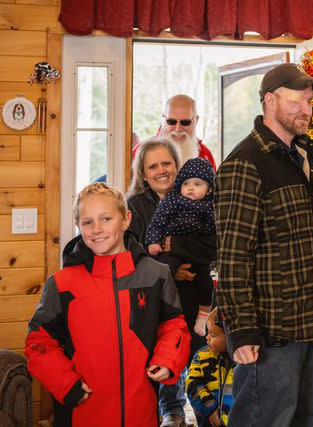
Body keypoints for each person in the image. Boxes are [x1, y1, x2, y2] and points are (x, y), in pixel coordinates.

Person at [214, 62, 313, 427]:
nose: (306, 111)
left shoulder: (298, 157)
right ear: (270, 100)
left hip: (307, 328)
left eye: (310, 102)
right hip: (268, 336)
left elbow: (304, 246)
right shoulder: (244, 164)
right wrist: (243, 330)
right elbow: (233, 259)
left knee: (304, 421)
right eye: (297, 101)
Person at [25, 182, 190, 426]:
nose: (96, 229)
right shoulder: (61, 283)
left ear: (126, 220)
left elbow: (174, 325)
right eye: (87, 222)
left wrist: (167, 359)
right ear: (78, 226)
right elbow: (39, 343)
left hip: (141, 413)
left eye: (106, 218)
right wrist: (67, 385)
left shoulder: (156, 274)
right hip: (82, 411)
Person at [127, 138, 217, 427]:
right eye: (153, 166)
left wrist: (174, 243)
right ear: (143, 173)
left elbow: (212, 247)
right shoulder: (135, 206)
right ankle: (172, 413)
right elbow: (134, 254)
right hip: (157, 298)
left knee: (200, 356)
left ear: (178, 168)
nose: (161, 170)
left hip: (197, 294)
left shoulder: (200, 198)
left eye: (167, 163)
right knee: (165, 357)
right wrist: (171, 271)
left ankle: (208, 413)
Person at [146, 157, 216, 336]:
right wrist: (153, 241)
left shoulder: (211, 206)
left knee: (205, 281)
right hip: (171, 258)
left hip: (199, 259)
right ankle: (156, 310)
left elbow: (216, 240)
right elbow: (157, 224)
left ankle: (204, 313)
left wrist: (180, 245)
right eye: (186, 183)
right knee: (165, 270)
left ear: (209, 190)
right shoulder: (173, 200)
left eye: (197, 184)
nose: (191, 188)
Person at [132, 94, 216, 170]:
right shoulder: (140, 153)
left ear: (196, 120)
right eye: (171, 122)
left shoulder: (205, 156)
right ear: (164, 118)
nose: (178, 129)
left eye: (185, 122)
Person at [186, 307, 234, 427]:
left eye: (213, 334)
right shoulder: (201, 356)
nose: (207, 338)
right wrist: (210, 408)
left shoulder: (245, 361)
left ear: (230, 336)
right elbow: (192, 383)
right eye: (208, 332)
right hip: (209, 420)